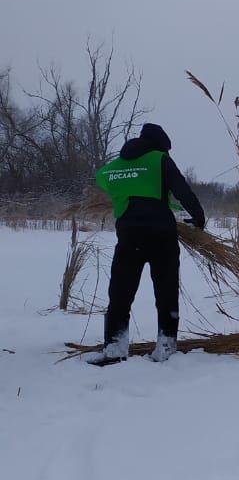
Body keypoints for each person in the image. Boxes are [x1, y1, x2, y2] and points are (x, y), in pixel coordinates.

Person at [91, 123, 206, 365]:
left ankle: (114, 347)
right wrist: (198, 216)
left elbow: (102, 179)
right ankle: (165, 345)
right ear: (160, 144)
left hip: (129, 236)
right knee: (166, 291)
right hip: (161, 235)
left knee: (120, 292)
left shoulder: (114, 166)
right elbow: (181, 189)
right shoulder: (159, 159)